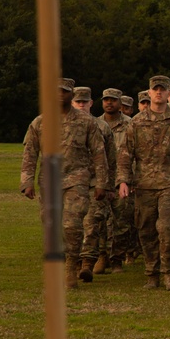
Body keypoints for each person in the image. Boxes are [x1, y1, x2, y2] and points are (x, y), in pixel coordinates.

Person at [118, 76, 170, 291]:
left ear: (168, 94)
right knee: (146, 230)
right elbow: (126, 154)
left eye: (162, 90)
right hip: (144, 184)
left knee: (168, 228)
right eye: (155, 89)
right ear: (149, 93)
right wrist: (123, 181)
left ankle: (169, 273)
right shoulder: (136, 122)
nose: (158, 93)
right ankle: (151, 274)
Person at [20, 78, 107, 289]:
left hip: (76, 179)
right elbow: (30, 153)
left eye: (65, 92)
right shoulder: (40, 122)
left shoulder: (87, 122)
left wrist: (102, 183)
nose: (61, 95)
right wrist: (27, 181)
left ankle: (71, 267)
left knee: (72, 225)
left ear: (72, 95)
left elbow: (98, 153)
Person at [72, 86, 116, 282]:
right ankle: (72, 263)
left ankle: (87, 263)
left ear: (91, 103)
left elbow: (111, 160)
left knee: (92, 224)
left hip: (94, 183)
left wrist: (108, 185)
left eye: (85, 102)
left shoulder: (102, 127)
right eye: (78, 102)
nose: (81, 105)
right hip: (71, 184)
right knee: (72, 225)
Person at [99, 87, 134, 273]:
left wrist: (131, 180)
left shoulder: (131, 125)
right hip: (100, 181)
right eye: (106, 99)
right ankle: (101, 256)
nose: (109, 103)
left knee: (121, 223)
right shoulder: (95, 124)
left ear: (120, 103)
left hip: (123, 180)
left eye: (113, 99)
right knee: (98, 221)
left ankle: (117, 259)